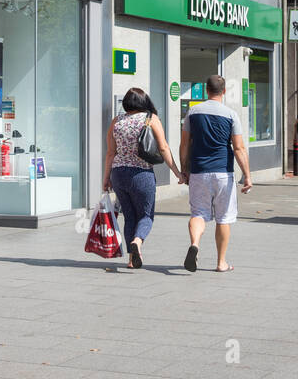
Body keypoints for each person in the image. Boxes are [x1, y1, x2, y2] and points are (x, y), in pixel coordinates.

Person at [102, 88, 182, 269]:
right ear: (143, 102)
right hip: (142, 174)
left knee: (129, 216)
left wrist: (106, 178)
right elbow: (163, 148)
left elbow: (110, 153)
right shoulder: (151, 119)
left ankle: (131, 260)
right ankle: (137, 242)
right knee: (146, 216)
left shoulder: (117, 121)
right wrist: (177, 173)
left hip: (119, 174)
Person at [180, 75, 251, 273]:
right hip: (222, 173)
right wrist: (247, 175)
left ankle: (195, 244)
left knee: (198, 214)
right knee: (223, 218)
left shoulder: (193, 112)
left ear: (206, 90)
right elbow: (238, 148)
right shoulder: (231, 115)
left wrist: (183, 170)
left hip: (199, 172)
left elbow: (184, 144)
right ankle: (221, 263)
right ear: (224, 91)